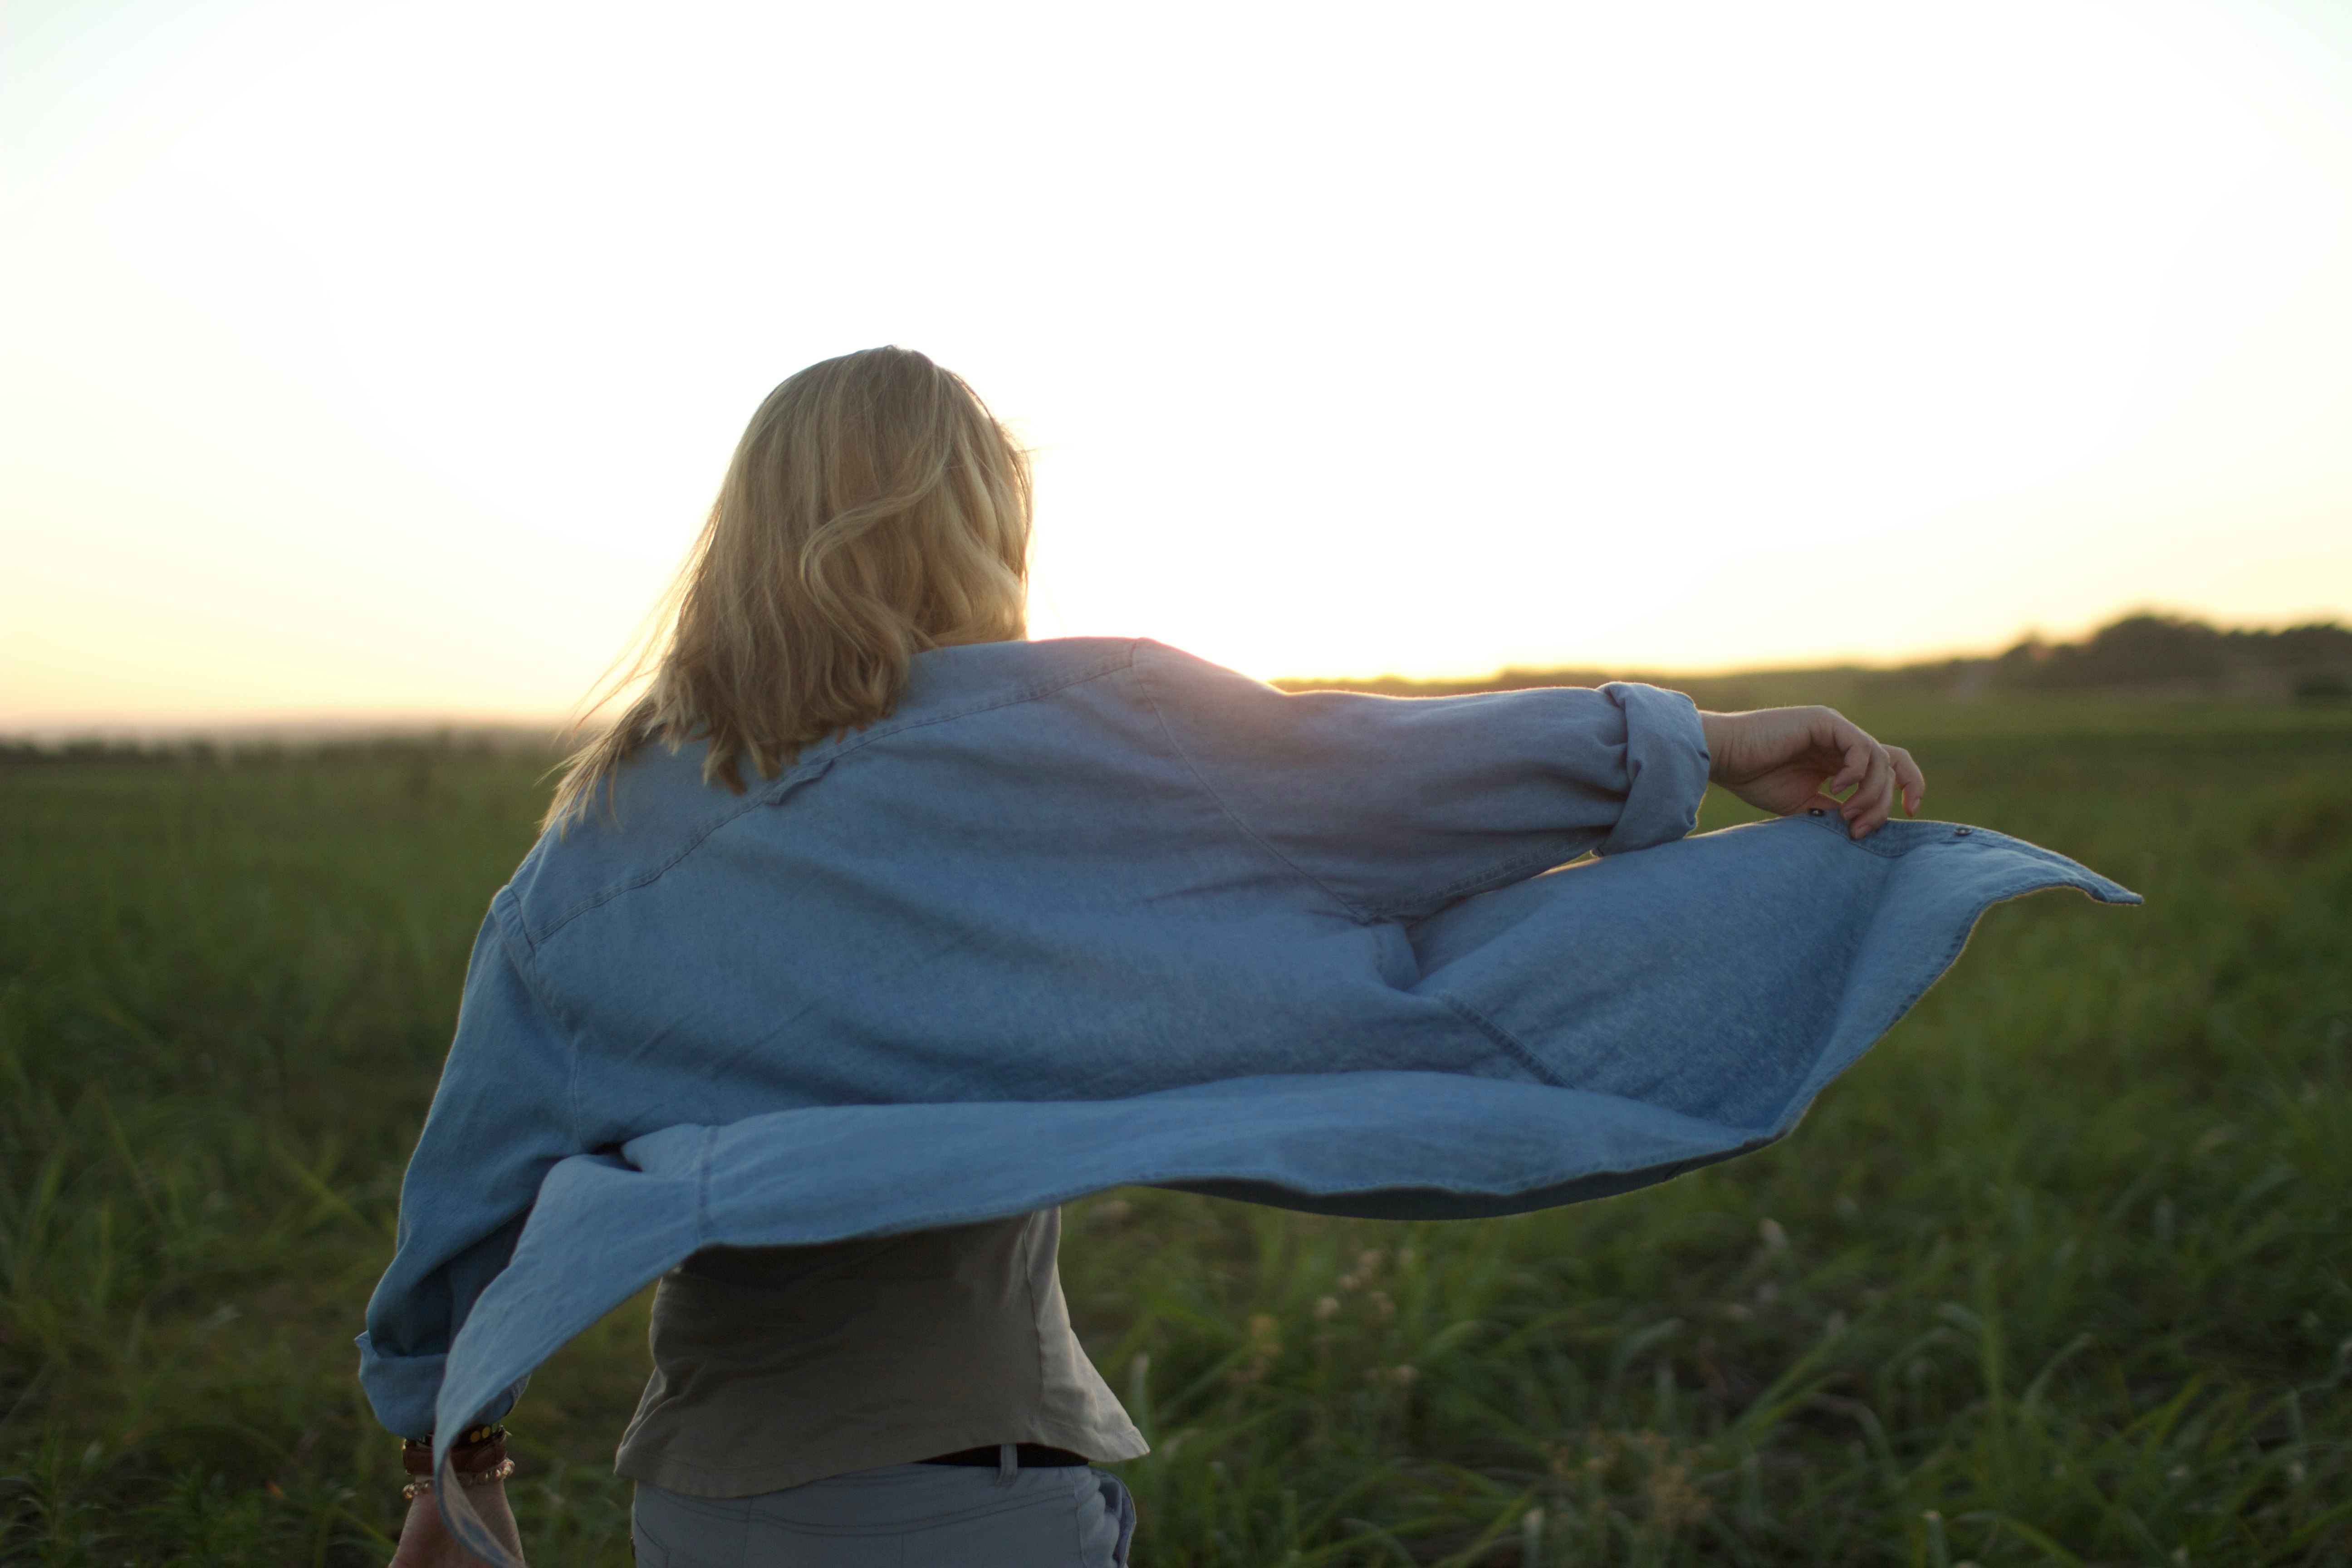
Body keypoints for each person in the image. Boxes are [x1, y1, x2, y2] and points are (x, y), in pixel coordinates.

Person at [365, 347, 2131, 1568]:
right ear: (973, 529)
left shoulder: (589, 858)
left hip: (704, 1506)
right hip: (966, 1504)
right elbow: (1363, 772)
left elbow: (467, 1200)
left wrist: (452, 1468)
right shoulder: (1063, 734)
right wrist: (1693, 744)